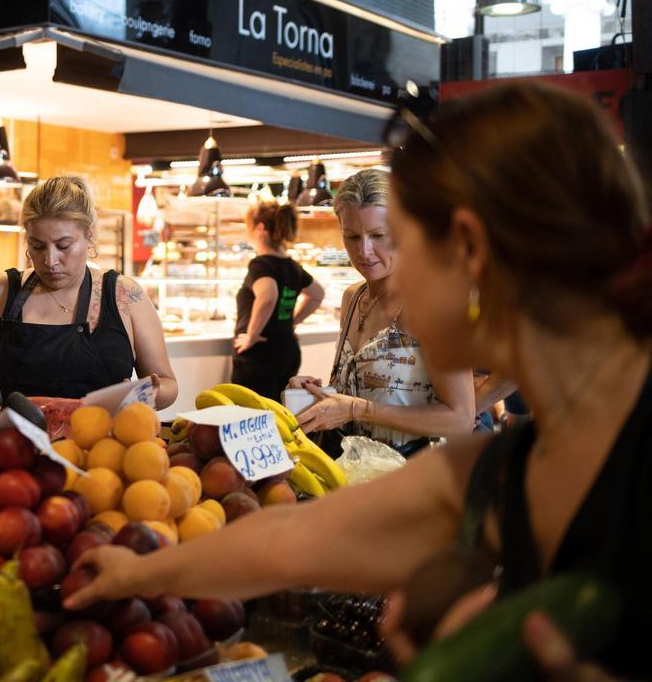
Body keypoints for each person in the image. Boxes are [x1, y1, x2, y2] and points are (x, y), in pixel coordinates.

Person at [65, 82, 651, 679]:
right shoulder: (508, 468)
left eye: (403, 241)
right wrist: (136, 574)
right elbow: (292, 539)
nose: (379, 264)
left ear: (469, 249)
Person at [288, 168, 475, 456]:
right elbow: (363, 390)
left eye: (379, 235)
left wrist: (358, 410)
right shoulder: (353, 297)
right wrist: (321, 394)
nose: (364, 251)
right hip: (351, 472)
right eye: (351, 236)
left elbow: (460, 418)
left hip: (413, 480)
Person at [0, 176, 178, 409]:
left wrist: (147, 393)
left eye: (63, 245)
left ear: (89, 235)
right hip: (15, 441)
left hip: (104, 442)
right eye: (37, 246)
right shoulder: (1, 292)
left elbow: (168, 384)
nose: (50, 260)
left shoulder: (124, 295)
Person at [231, 202, 324, 401]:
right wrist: (291, 322)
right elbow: (317, 295)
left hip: (259, 356)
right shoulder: (292, 266)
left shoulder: (261, 264)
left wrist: (251, 335)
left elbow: (268, 296)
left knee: (252, 418)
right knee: (278, 414)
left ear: (261, 228)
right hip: (286, 350)